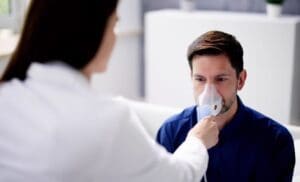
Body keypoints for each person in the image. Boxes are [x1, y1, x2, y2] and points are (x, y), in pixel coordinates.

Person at [0, 0, 220, 181]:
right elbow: (176, 177)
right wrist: (197, 140)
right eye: (114, 25)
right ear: (92, 33)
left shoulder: (7, 96)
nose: (114, 36)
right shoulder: (108, 119)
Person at [156, 31, 295, 182]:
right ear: (191, 78)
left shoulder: (274, 140)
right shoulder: (170, 132)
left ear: (240, 80)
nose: (209, 92)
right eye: (200, 79)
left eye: (220, 79)